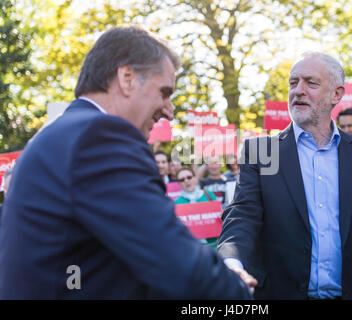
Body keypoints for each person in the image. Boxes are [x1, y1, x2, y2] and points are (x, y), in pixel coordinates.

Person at [0, 26, 255, 299]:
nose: (170, 111)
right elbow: (172, 261)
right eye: (164, 92)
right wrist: (237, 292)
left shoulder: (66, 132)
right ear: (127, 78)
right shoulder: (100, 137)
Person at [217, 52, 352, 300]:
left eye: (311, 82)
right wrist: (232, 262)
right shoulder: (260, 153)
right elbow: (242, 215)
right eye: (293, 82)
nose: (298, 90)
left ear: (336, 94)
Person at [174, 166, 218, 248]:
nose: (186, 181)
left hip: (214, 246)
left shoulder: (208, 194)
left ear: (194, 178)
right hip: (191, 249)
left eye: (189, 177)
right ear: (179, 183)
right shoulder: (176, 203)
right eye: (182, 179)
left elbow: (218, 219)